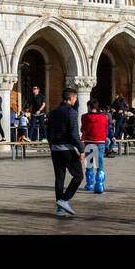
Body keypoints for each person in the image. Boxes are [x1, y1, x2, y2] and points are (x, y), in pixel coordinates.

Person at [47, 87, 84, 217]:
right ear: (70, 98)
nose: (76, 100)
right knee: (78, 175)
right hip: (67, 149)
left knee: (59, 178)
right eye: (75, 98)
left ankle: (60, 209)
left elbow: (49, 132)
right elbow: (74, 134)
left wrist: (52, 144)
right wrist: (81, 149)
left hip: (55, 149)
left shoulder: (52, 112)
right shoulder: (71, 112)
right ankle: (64, 199)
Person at [80, 99, 110, 193]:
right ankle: (99, 185)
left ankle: (89, 185)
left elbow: (83, 129)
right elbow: (106, 129)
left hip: (89, 142)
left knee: (89, 164)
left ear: (89, 106)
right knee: (100, 165)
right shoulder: (104, 117)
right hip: (100, 142)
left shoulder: (84, 117)